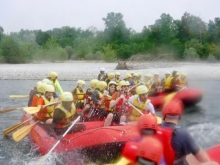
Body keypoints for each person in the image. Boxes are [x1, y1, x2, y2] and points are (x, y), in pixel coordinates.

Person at [157, 99, 211, 165]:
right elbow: (204, 159)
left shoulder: (154, 130)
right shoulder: (183, 134)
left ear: (163, 114)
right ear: (180, 116)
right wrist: (189, 139)